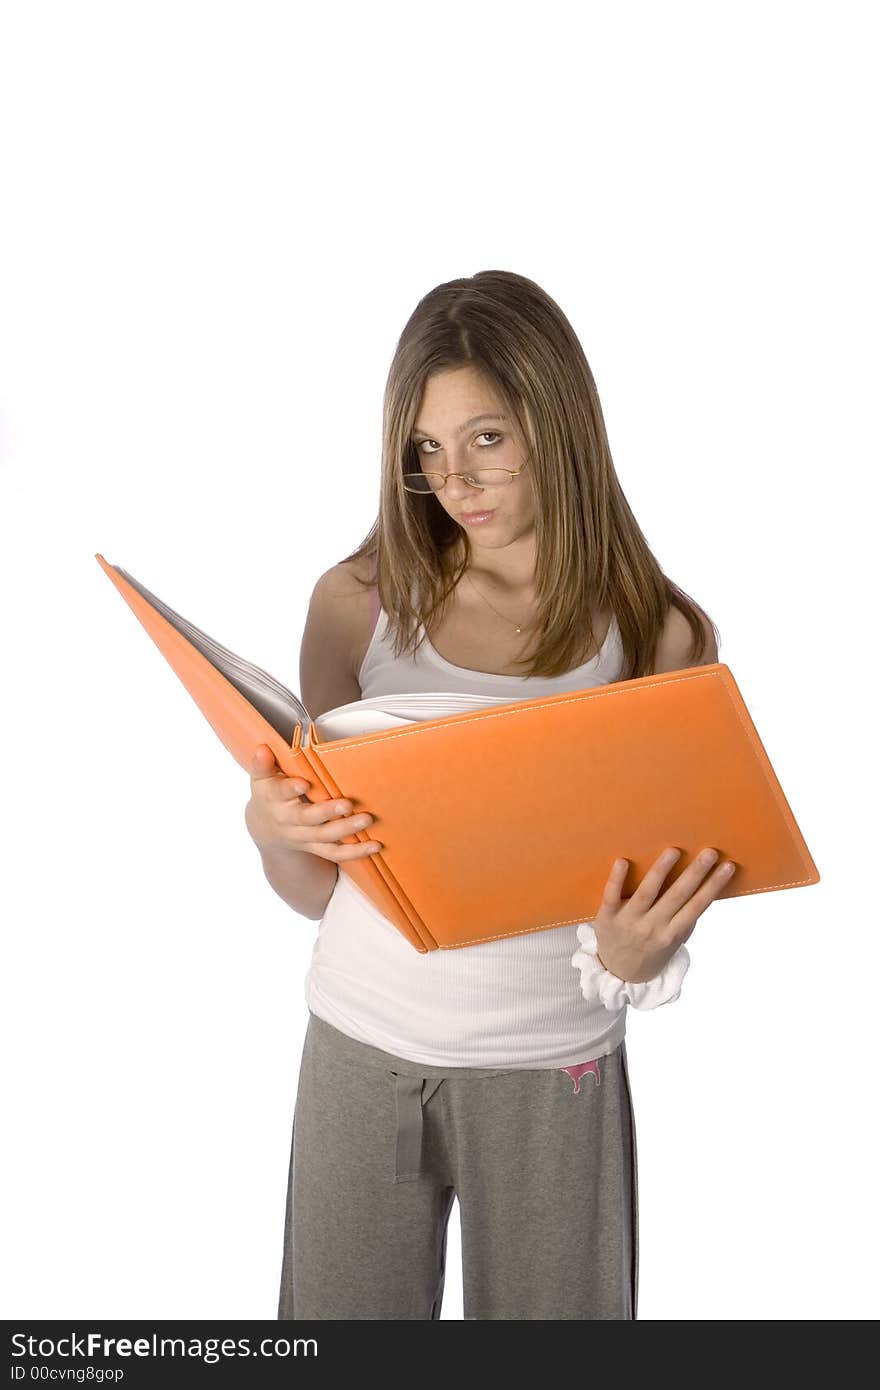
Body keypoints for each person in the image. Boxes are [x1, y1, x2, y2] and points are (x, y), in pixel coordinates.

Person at [244, 269, 731, 1321]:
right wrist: (270, 826)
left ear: (554, 424)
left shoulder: (657, 634)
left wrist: (638, 962)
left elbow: (669, 884)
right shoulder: (356, 601)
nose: (453, 478)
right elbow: (317, 889)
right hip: (358, 1046)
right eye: (424, 448)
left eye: (486, 438)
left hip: (549, 1069)